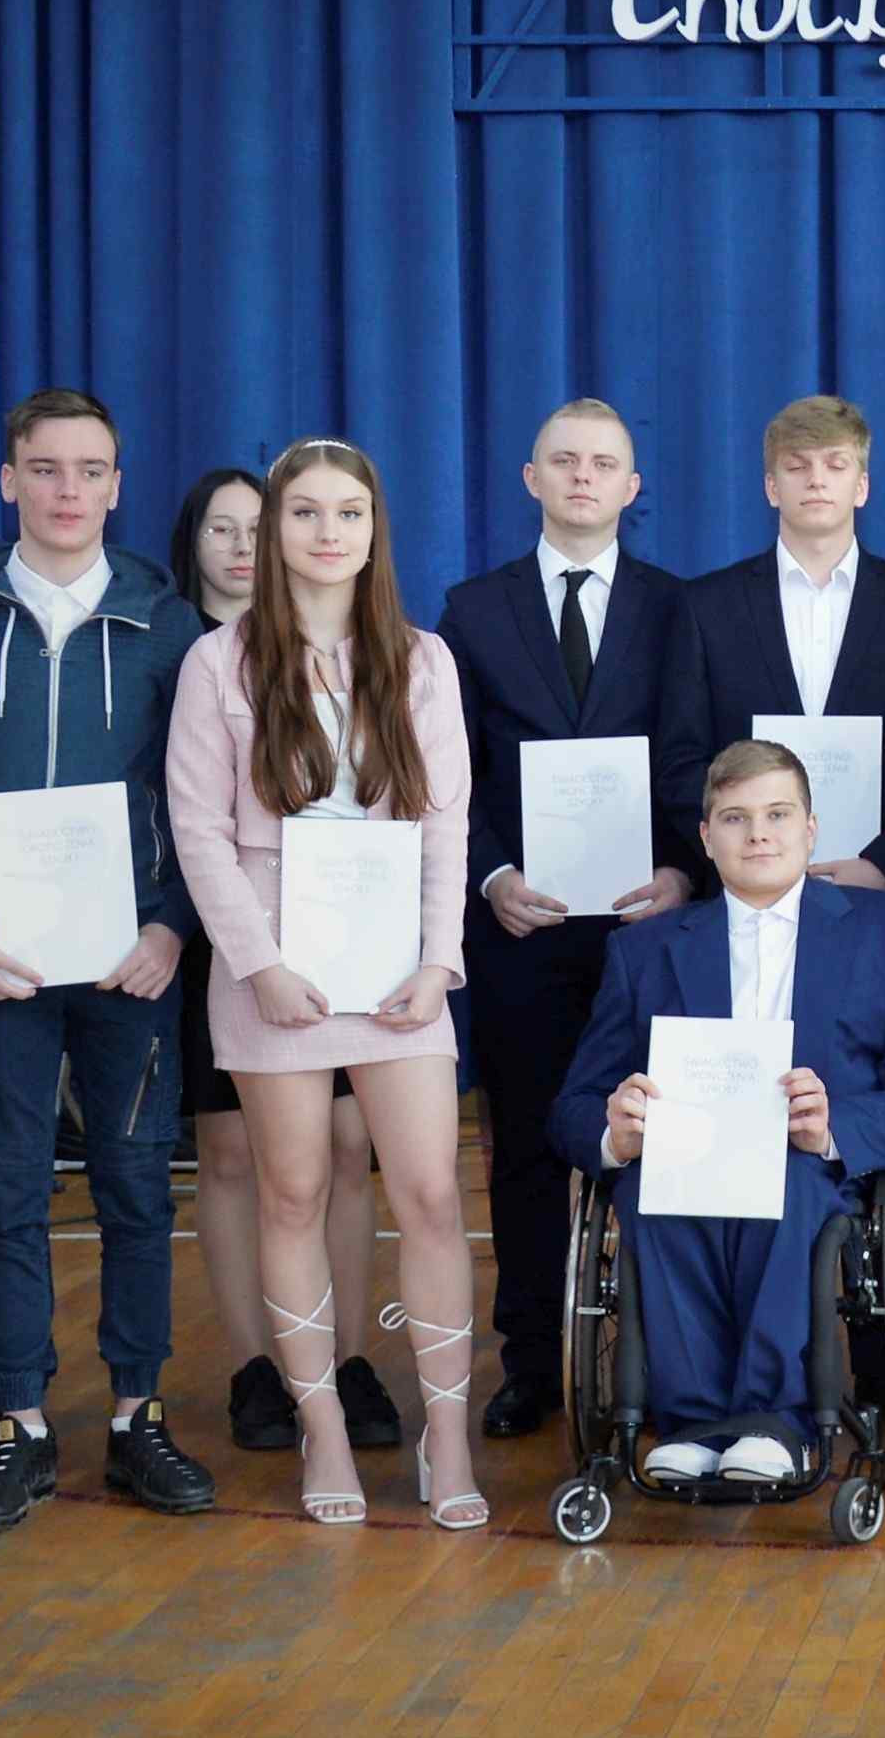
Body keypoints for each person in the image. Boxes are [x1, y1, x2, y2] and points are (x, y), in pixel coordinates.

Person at [0, 388, 214, 1532]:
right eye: (48, 468)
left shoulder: (170, 627)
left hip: (132, 966)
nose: (70, 490)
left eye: (91, 469)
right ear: (7, 479)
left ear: (118, 486)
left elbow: (204, 801)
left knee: (135, 1191)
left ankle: (135, 1416)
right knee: (5, 1192)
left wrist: (171, 926)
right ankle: (16, 1420)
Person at [167, 438, 487, 1531]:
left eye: (349, 512)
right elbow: (199, 832)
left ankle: (447, 1434)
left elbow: (445, 826)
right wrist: (257, 964)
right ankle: (325, 1432)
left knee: (431, 1195)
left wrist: (439, 960)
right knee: (293, 1194)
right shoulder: (218, 663)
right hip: (276, 976)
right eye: (304, 511)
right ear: (275, 530)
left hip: (398, 976)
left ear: (374, 529)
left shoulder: (423, 660)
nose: (327, 532)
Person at [552, 740, 885, 1482]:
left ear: (811, 829)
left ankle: (772, 1419)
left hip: (817, 1169)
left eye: (777, 814)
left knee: (790, 1183)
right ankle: (690, 1424)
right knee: (653, 1189)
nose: (758, 834)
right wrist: (613, 1134)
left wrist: (836, 1127)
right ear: (706, 837)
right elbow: (573, 1106)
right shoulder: (643, 952)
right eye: (735, 818)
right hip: (684, 1160)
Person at [435, 399, 693, 1441]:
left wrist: (684, 870)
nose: (583, 476)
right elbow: (450, 771)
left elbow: (699, 755)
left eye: (604, 463)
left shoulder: (679, 608)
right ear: (530, 478)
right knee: (528, 1147)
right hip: (522, 931)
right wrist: (490, 874)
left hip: (651, 931)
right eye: (564, 460)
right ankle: (533, 1360)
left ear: (633, 487)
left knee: (667, 1138)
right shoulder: (471, 610)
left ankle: (667, 1353)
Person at [167, 470, 397, 1459]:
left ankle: (348, 1358)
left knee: (346, 1148)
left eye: (253, 526)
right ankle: (257, 1366)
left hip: (352, 939)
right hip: (218, 939)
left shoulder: (371, 649)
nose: (238, 545)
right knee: (232, 1156)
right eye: (218, 529)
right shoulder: (189, 654)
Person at [660, 395, 885, 898]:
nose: (816, 480)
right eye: (797, 466)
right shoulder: (705, 606)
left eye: (835, 465)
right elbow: (680, 761)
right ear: (772, 488)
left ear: (862, 487)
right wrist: (746, 851)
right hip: (741, 896)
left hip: (883, 899)